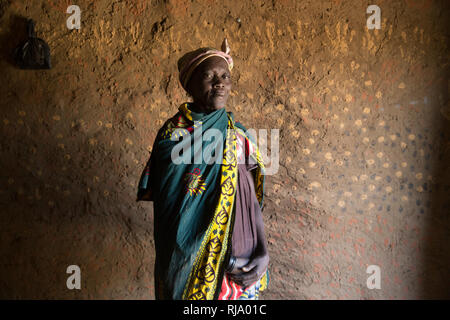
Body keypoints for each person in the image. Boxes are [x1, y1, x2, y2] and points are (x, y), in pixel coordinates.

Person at [136, 39, 269, 300]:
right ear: (191, 85)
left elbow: (250, 200)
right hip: (192, 265)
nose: (219, 83)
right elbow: (172, 208)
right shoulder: (173, 136)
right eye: (209, 76)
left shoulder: (239, 135)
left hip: (242, 264)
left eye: (225, 76)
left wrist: (262, 250)